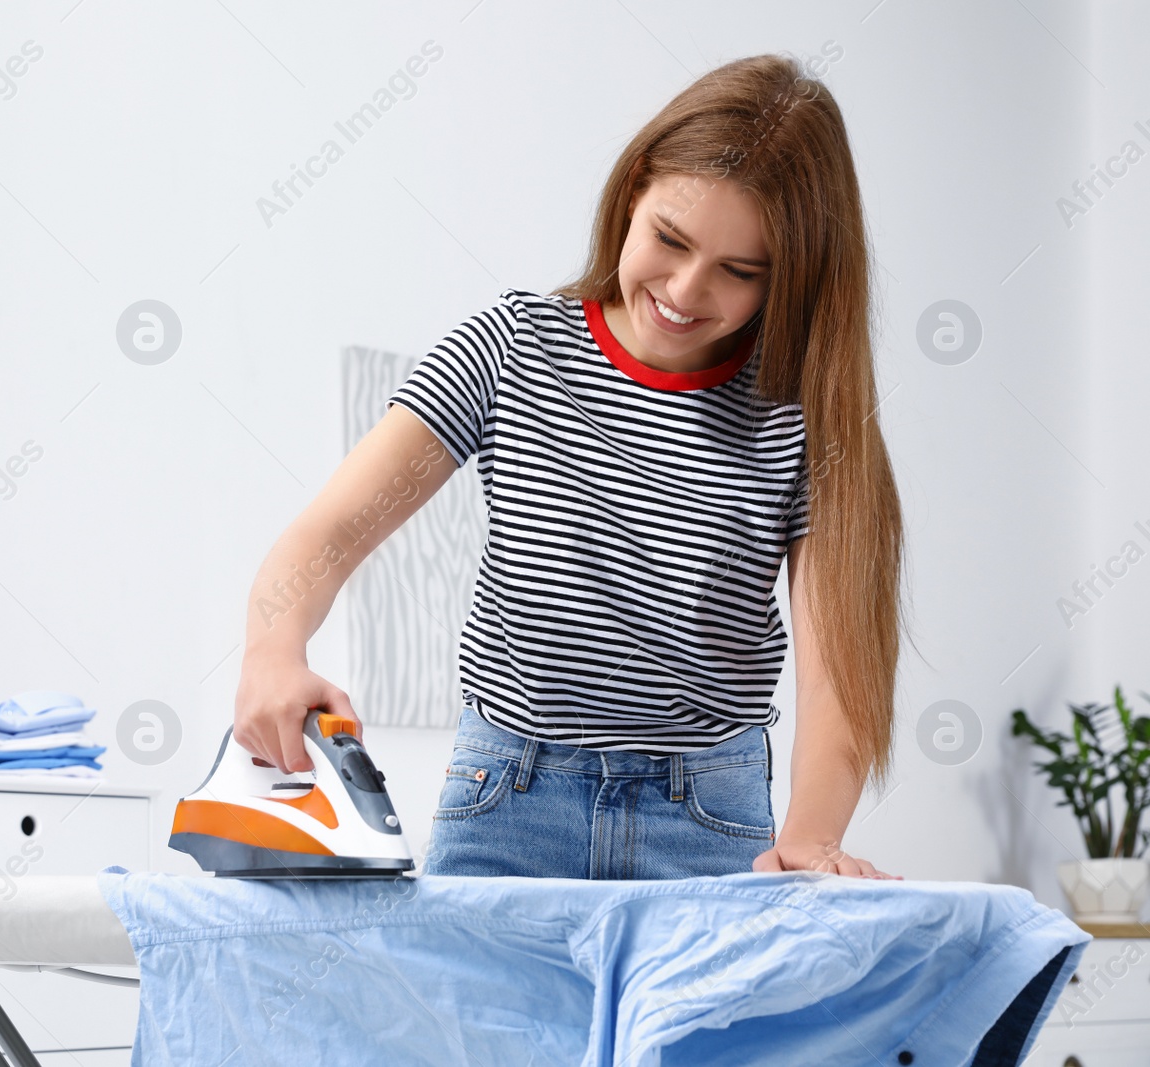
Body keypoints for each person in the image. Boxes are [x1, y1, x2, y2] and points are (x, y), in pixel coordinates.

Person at [233, 53, 909, 882]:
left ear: (793, 277)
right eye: (671, 238)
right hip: (507, 803)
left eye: (741, 272)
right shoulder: (510, 348)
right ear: (633, 194)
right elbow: (326, 537)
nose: (687, 289)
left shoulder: (798, 422)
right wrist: (272, 652)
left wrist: (809, 837)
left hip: (710, 821)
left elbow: (837, 676)